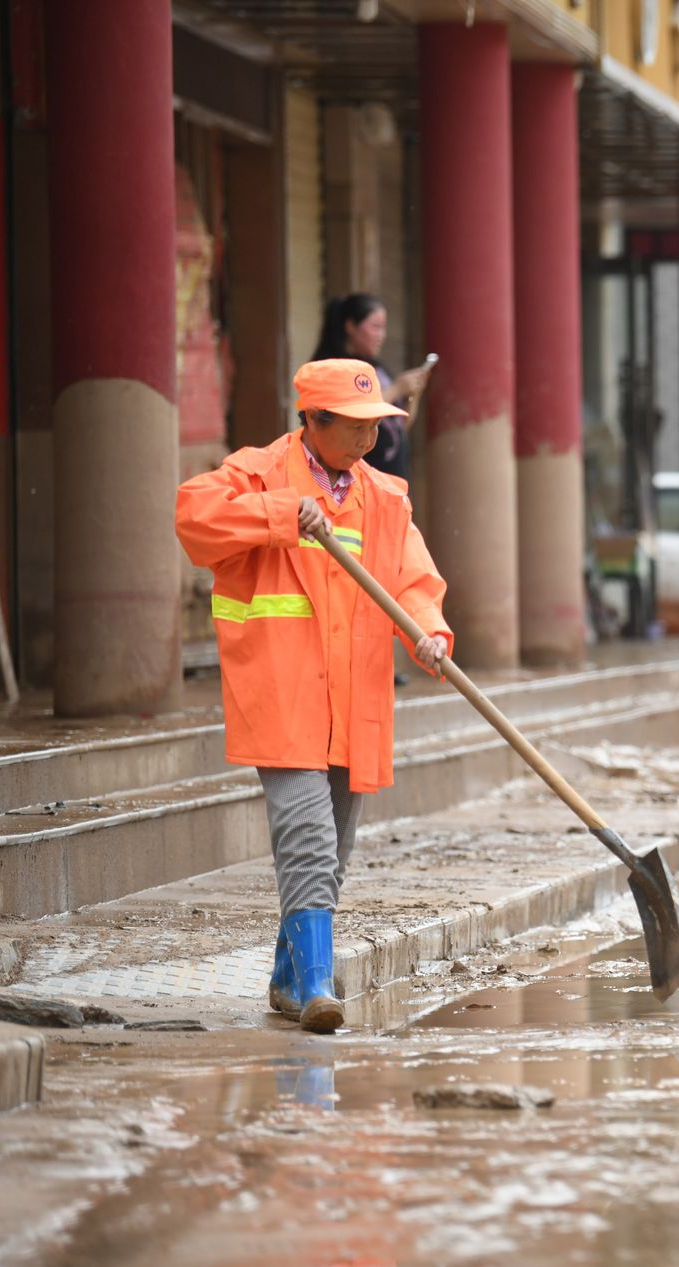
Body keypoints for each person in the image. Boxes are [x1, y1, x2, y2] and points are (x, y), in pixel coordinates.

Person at [174, 359, 452, 1033]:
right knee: (309, 838)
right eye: (354, 426)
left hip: (354, 702)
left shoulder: (384, 497)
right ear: (312, 420)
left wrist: (429, 633)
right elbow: (194, 517)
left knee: (335, 850)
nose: (368, 440)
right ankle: (318, 987)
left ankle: (287, 977)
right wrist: (277, 514)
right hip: (282, 692)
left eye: (374, 426)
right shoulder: (261, 473)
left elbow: (413, 581)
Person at [311, 294, 433, 481]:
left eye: (383, 328)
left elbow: (401, 424)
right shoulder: (334, 367)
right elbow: (352, 412)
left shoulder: (377, 368)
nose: (381, 336)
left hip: (392, 475)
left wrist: (413, 392)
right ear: (351, 326)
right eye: (375, 327)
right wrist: (397, 388)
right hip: (359, 475)